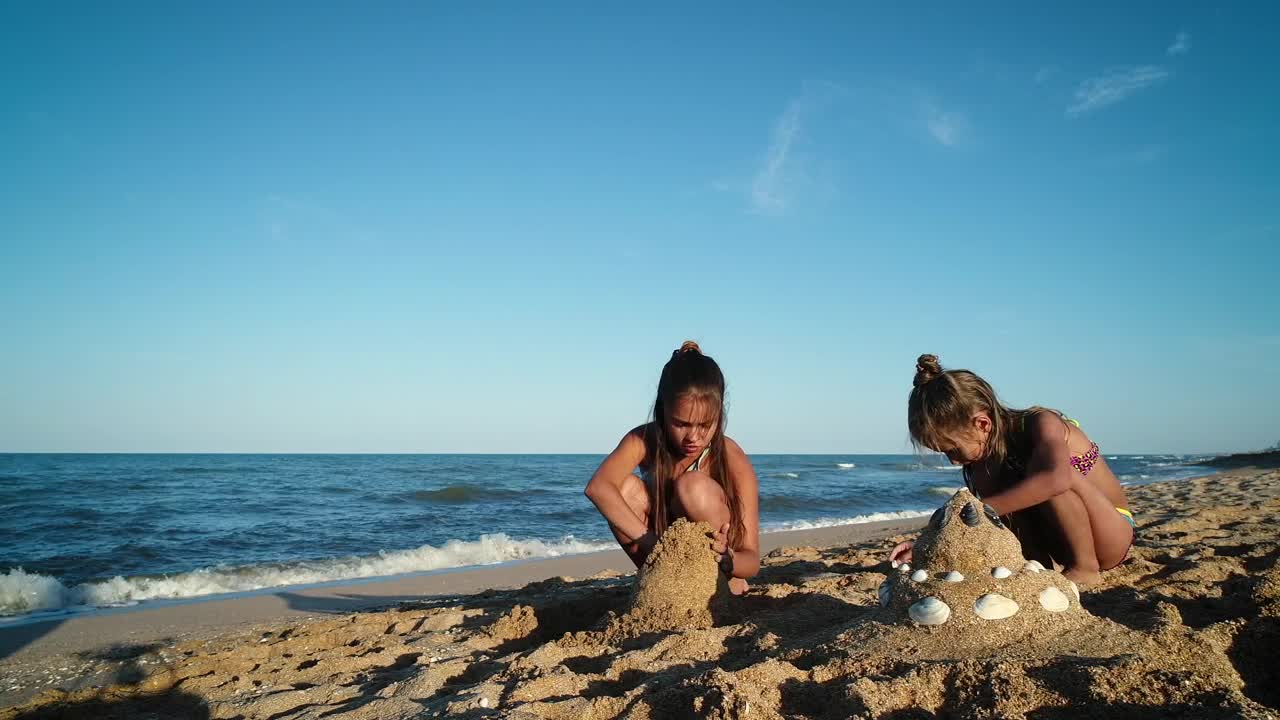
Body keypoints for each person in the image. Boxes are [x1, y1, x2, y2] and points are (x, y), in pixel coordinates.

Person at [890, 354, 1135, 586]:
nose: (953, 461)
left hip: (1110, 534)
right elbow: (986, 520)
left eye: (953, 449)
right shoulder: (982, 463)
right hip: (1058, 542)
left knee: (1050, 473)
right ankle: (1039, 566)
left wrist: (982, 509)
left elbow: (1058, 479)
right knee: (993, 489)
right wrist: (926, 543)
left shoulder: (1042, 423)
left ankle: (1084, 569)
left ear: (982, 424)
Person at [585, 341, 760, 593]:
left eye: (705, 425)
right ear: (662, 411)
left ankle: (726, 588)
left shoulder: (730, 454)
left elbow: (752, 561)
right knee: (623, 488)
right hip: (664, 564)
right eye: (681, 424)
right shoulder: (644, 439)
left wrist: (730, 559)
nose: (694, 438)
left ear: (719, 415)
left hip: (722, 570)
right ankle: (659, 583)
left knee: (693, 486)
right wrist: (660, 546)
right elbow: (598, 487)